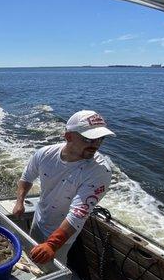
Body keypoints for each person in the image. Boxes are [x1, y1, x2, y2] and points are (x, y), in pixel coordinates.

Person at [13, 110, 115, 265]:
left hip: (64, 235)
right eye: (89, 139)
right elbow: (27, 177)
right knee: (30, 261)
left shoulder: (100, 171)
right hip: (38, 221)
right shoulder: (44, 154)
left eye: (101, 139)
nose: (96, 145)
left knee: (51, 271)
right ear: (68, 137)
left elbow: (78, 213)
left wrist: (52, 244)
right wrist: (19, 202)